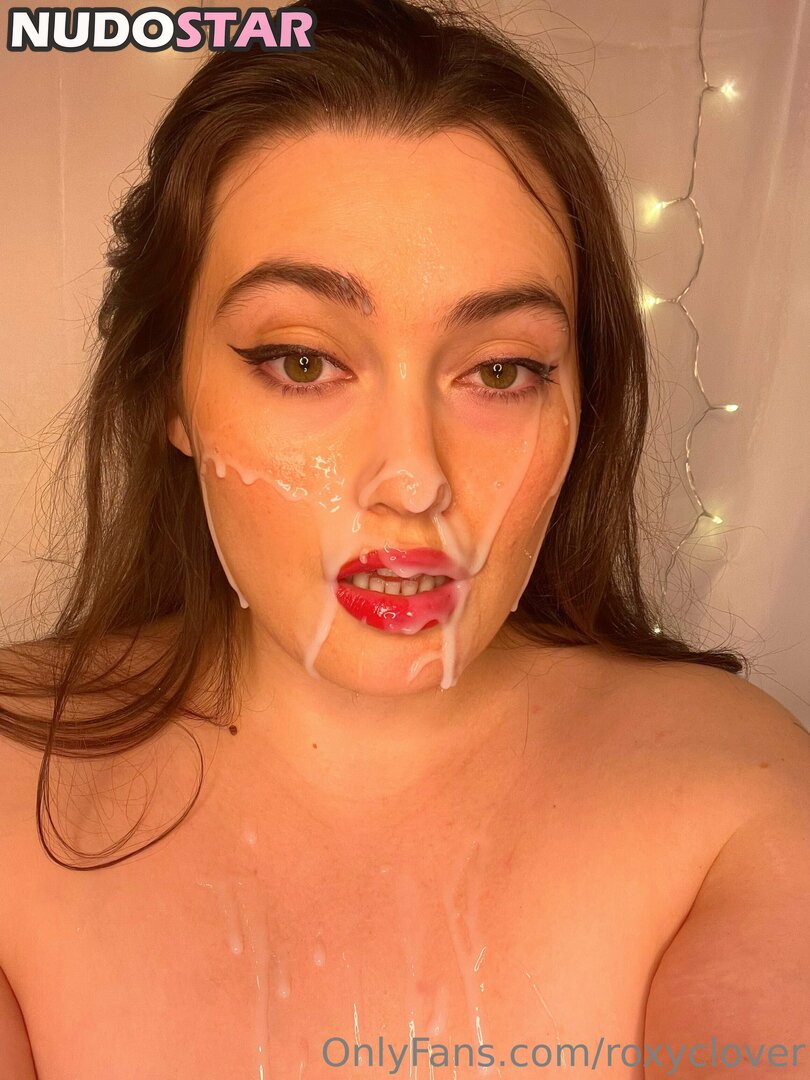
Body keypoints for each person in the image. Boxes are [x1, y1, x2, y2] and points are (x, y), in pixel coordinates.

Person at [1, 0, 808, 1076]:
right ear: (169, 392)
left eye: (500, 370)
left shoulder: (731, 802)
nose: (415, 479)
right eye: (302, 361)